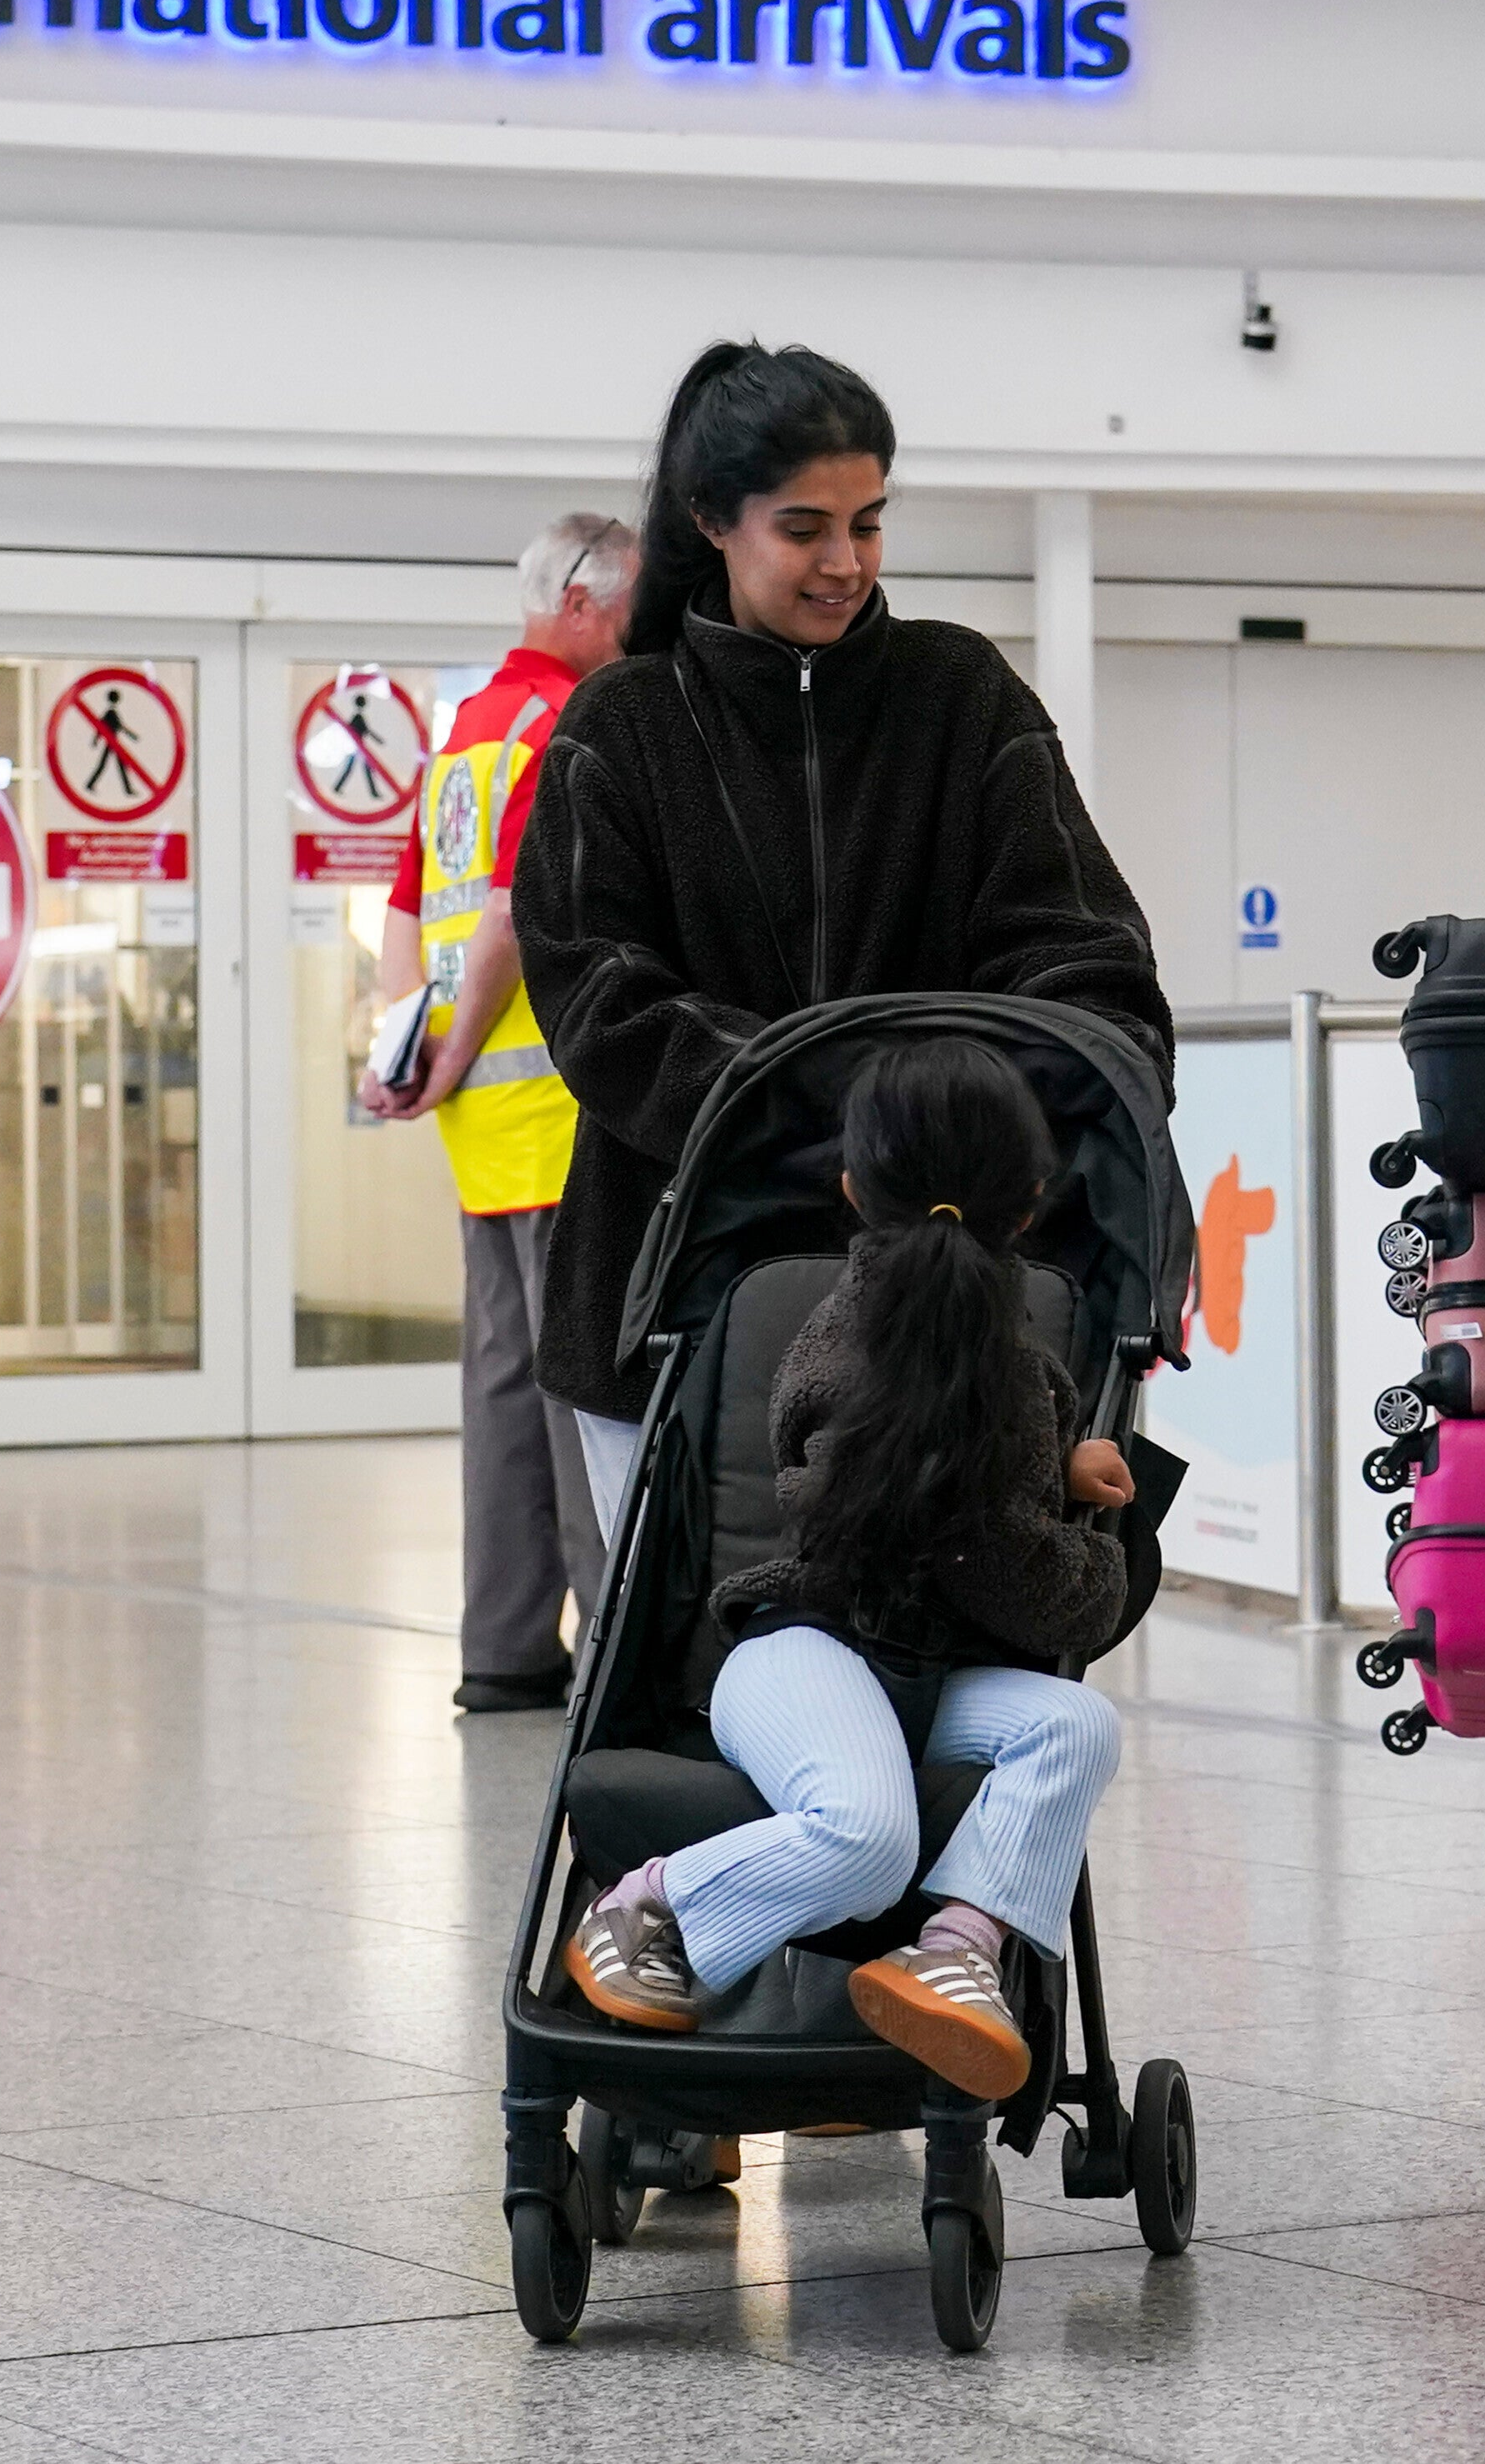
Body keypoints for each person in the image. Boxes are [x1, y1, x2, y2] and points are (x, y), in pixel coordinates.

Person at [515, 339, 1172, 1543]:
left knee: (954, 1637)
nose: (846, 563)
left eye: (868, 523)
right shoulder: (621, 727)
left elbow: (1088, 965)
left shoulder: (962, 696)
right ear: (711, 520)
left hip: (958, 1312)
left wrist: (976, 1134)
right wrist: (864, 1114)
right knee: (700, 1653)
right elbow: (601, 1002)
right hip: (672, 1313)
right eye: (803, 528)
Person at [562, 1039, 1137, 2097]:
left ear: (852, 1191)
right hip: (805, 1656)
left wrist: (1053, 1465)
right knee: (873, 1842)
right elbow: (999, 1560)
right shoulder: (980, 1363)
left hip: (910, 1671)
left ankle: (955, 1949)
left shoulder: (871, 1335)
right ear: (1030, 1205)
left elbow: (941, 1481)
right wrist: (1101, 1567)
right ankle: (651, 1905)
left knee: (1077, 1727)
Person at [367, 513, 638, 1713]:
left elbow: (402, 909)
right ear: (579, 602)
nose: (636, 632)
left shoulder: (463, 735)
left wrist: (409, 1052)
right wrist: (454, 1049)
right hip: (556, 1122)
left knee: (501, 1389)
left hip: (477, 1126)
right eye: (629, 609)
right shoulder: (562, 723)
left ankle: (505, 1647)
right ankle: (612, 1657)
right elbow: (512, 916)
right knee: (583, 1393)